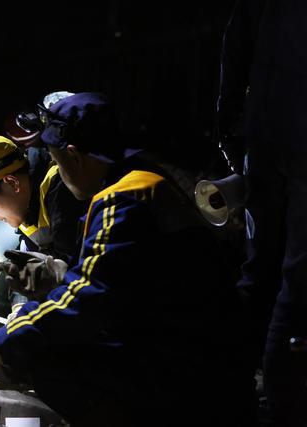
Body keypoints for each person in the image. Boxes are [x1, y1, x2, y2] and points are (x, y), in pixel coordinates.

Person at [0, 93, 256, 426]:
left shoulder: (124, 198)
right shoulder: (138, 183)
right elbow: (112, 283)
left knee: (46, 361)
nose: (56, 171)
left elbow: (89, 298)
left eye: (57, 161)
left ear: (73, 156)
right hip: (196, 357)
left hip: (192, 373)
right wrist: (59, 278)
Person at [217, 1, 307, 424]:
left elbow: (235, 41)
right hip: (295, 138)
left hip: (264, 132)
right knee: (297, 279)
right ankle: (278, 407)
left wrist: (229, 125)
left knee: (259, 271)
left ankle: (230, 390)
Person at [0, 135, 87, 317]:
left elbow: (76, 278)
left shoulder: (61, 192)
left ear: (12, 182)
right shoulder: (27, 211)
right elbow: (25, 268)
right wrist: (19, 308)